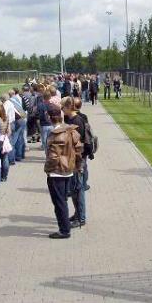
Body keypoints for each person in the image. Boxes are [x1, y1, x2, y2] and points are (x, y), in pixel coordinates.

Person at [44, 105, 83, 239]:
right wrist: (77, 166)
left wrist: (48, 170)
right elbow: (78, 150)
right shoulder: (70, 130)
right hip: (69, 171)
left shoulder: (54, 134)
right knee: (63, 201)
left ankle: (64, 230)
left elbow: (53, 156)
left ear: (49, 117)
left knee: (59, 202)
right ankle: (65, 227)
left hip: (57, 172)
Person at [61, 97, 88, 227]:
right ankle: (77, 213)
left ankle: (81, 218)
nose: (62, 110)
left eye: (63, 107)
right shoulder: (70, 119)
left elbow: (78, 144)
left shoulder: (77, 121)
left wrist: (77, 163)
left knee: (78, 189)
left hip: (77, 159)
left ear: (68, 107)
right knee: (74, 189)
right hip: (72, 159)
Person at [0, 102, 11, 182]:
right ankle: (4, 176)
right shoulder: (6, 117)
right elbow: (9, 131)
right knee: (5, 158)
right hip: (5, 138)